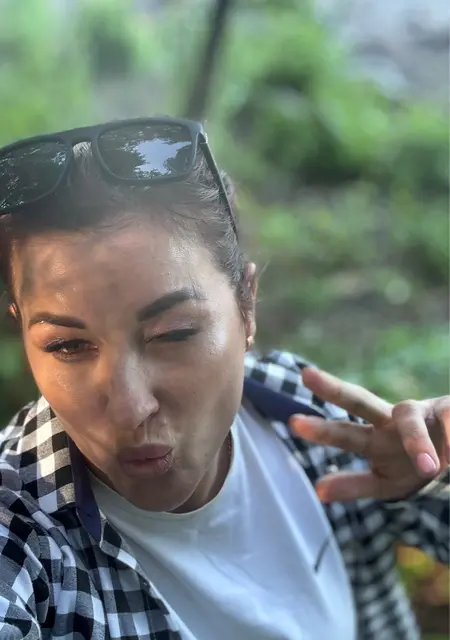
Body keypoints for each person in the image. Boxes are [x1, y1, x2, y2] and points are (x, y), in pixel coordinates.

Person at [0, 117, 447, 640]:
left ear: (246, 306)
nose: (129, 407)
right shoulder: (20, 532)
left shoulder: (300, 411)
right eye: (67, 345)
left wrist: (431, 474)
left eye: (173, 333)